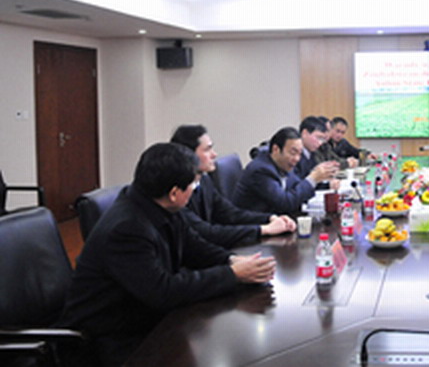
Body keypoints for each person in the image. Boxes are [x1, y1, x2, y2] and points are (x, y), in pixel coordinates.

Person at [59, 143, 275, 366]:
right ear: (174, 193)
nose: (195, 189)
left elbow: (194, 247)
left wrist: (231, 260)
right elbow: (163, 292)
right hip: (107, 340)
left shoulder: (159, 204)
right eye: (193, 184)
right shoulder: (127, 229)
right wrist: (232, 274)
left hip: (143, 319)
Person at [170, 124, 295, 248]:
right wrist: (263, 229)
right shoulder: (176, 193)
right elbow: (206, 232)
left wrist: (270, 218)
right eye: (207, 150)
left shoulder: (204, 180)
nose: (214, 154)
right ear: (188, 155)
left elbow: (230, 214)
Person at [233, 126, 338, 215]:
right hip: (258, 226)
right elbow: (285, 203)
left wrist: (322, 181)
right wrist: (312, 179)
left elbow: (296, 185)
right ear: (276, 149)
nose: (297, 158)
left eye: (299, 153)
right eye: (293, 152)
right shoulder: (261, 170)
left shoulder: (282, 163)